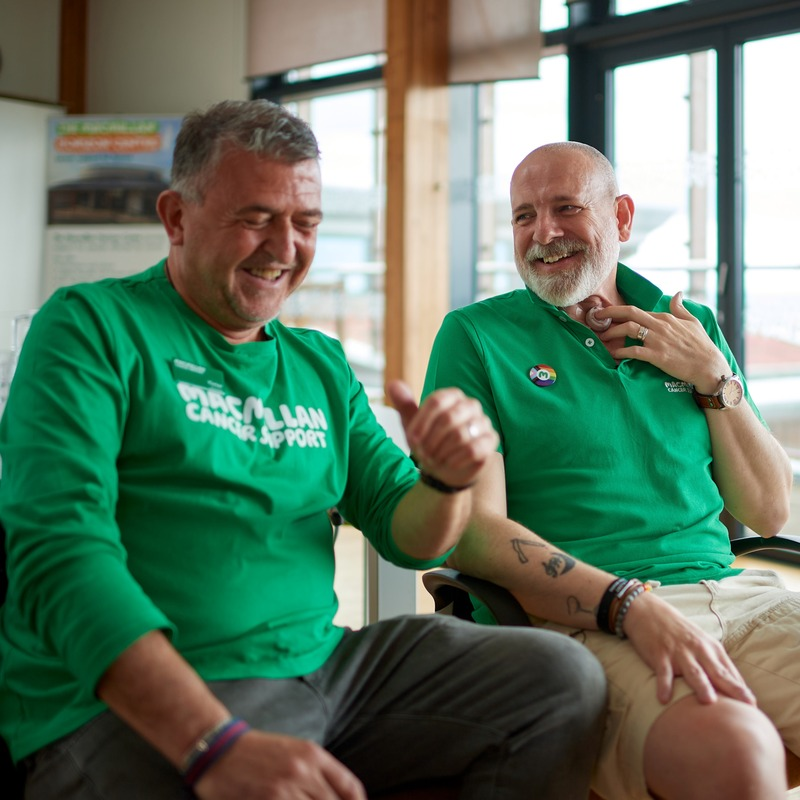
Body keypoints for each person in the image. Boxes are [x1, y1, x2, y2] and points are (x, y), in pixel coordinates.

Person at [0, 102, 608, 800]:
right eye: (256, 218)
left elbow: (410, 536)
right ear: (176, 218)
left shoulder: (318, 363)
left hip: (324, 666)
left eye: (306, 223)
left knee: (560, 680)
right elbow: (60, 555)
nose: (284, 248)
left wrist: (443, 482)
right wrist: (212, 743)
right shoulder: (90, 328)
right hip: (134, 703)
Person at [422, 141, 800, 800]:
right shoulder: (477, 337)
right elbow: (475, 534)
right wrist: (627, 604)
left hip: (737, 597)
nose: (544, 233)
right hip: (584, 616)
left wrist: (714, 377)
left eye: (566, 208)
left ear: (621, 217)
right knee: (736, 753)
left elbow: (769, 510)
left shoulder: (690, 327)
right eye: (524, 216)